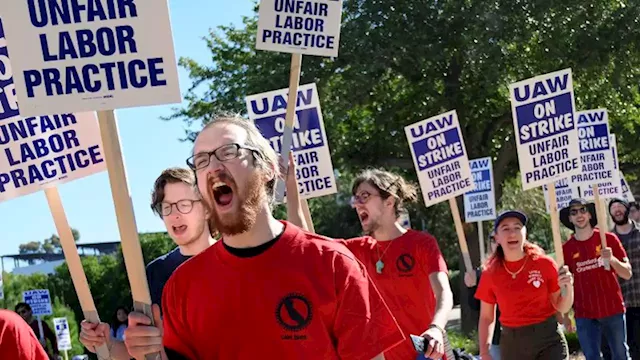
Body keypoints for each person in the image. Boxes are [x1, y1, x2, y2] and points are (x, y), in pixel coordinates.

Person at [122, 115, 405, 359]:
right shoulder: (181, 288)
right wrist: (152, 353)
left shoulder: (333, 264)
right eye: (201, 160)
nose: (213, 166)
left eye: (229, 151)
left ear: (268, 168)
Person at [79, 167, 217, 359]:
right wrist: (105, 343)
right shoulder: (153, 273)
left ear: (208, 208)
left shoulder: (236, 260)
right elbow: (138, 352)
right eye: (166, 207)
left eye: (184, 204)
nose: (174, 214)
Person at [345, 169, 454, 360]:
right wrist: (293, 186)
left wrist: (436, 328)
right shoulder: (358, 250)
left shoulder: (422, 243)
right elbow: (308, 243)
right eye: (356, 198)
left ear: (389, 201)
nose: (357, 203)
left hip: (428, 355)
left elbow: (444, 293)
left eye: (365, 195)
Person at [475, 210, 574, 360]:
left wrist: (568, 288)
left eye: (517, 227)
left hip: (548, 339)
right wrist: (484, 351)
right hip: (513, 344)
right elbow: (487, 317)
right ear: (497, 238)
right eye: (506, 229)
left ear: (525, 233)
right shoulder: (490, 273)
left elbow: (562, 306)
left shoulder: (544, 264)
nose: (512, 233)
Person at [560, 198, 632, 360]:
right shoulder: (565, 250)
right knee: (592, 356)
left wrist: (612, 259)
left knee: (620, 355)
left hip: (612, 308)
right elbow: (563, 288)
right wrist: (564, 315)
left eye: (583, 210)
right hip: (584, 313)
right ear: (570, 218)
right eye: (574, 212)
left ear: (590, 214)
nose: (579, 214)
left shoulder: (608, 239)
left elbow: (627, 273)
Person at [609, 198, 640, 360]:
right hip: (621, 302)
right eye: (613, 208)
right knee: (629, 347)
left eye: (620, 206)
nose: (617, 210)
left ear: (627, 208)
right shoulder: (607, 241)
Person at [465, 231, 501, 360]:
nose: (497, 242)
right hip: (496, 337)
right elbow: (476, 306)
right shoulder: (483, 272)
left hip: (522, 336)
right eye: (493, 239)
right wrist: (472, 287)